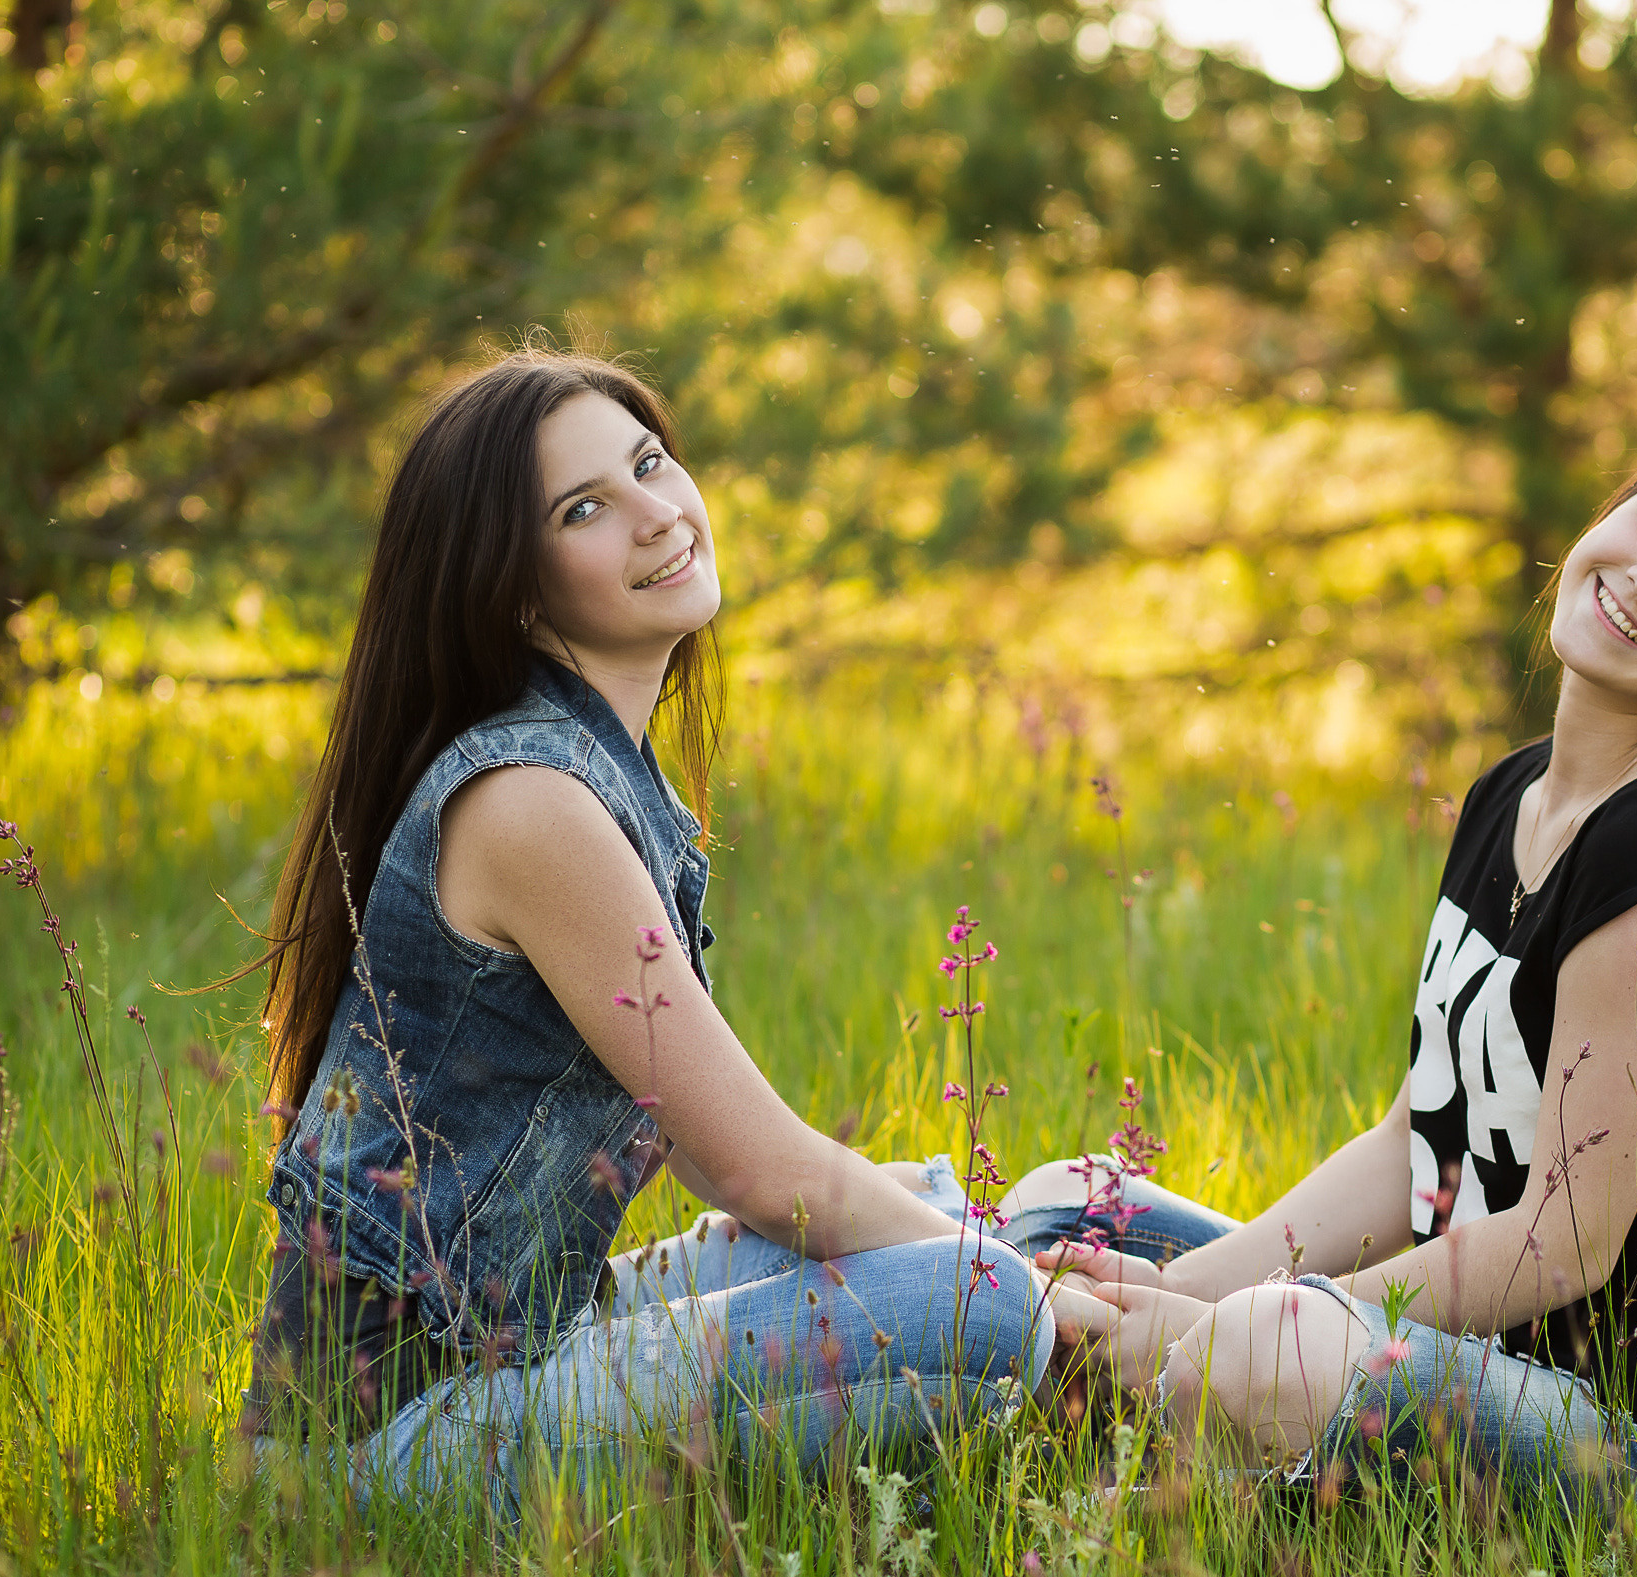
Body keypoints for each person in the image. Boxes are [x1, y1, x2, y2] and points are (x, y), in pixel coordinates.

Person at [245, 348, 1085, 1513]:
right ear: (515, 586)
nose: (657, 514)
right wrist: (1026, 1291)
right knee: (980, 1299)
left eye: (649, 465)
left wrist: (996, 1263)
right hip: (392, 1439)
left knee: (947, 1215)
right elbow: (756, 1171)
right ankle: (1172, 1379)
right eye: (586, 507)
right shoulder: (529, 802)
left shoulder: (595, 770)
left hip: (535, 1338)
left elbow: (722, 1157)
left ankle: (1194, 1348)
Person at [1029, 425, 1637, 1499]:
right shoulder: (1515, 794)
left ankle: (1121, 1481)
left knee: (1264, 1347)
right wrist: (1173, 1284)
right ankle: (1132, 1393)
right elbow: (1415, 1150)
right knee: (1077, 1207)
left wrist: (1222, 1319)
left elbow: (1561, 1243)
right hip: (1471, 1356)